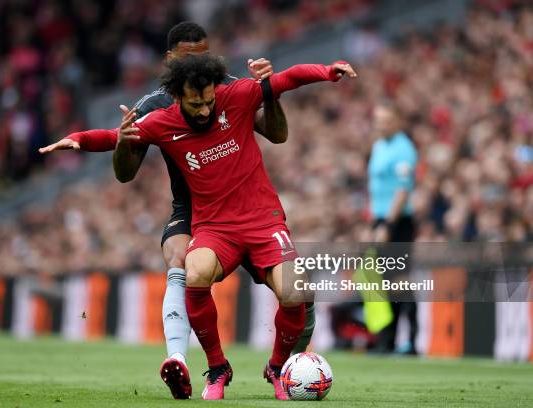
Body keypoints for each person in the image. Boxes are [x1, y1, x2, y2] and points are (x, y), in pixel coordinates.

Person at [39, 22, 316, 399]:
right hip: (193, 205)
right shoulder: (153, 106)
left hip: (245, 202)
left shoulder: (227, 88)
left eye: (204, 54)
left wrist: (271, 94)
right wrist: (107, 142)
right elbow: (124, 173)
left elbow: (277, 133)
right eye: (190, 57)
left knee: (300, 291)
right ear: (170, 61)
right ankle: (185, 361)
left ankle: (291, 369)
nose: (199, 63)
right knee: (182, 262)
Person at [111, 54, 356, 399]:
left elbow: (284, 100)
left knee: (296, 288)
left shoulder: (233, 93)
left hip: (258, 216)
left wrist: (326, 72)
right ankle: (209, 366)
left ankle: (277, 367)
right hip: (206, 217)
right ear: (176, 87)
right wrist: (84, 139)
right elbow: (114, 152)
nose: (204, 109)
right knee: (187, 268)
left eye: (208, 99)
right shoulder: (157, 113)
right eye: (196, 102)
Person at [367, 101, 418, 353]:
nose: (381, 125)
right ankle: (387, 339)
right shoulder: (378, 146)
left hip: (397, 222)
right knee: (381, 282)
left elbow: (402, 190)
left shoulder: (404, 148)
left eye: (386, 120)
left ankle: (411, 339)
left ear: (397, 121)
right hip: (379, 219)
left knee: (398, 281)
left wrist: (387, 224)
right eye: (378, 120)